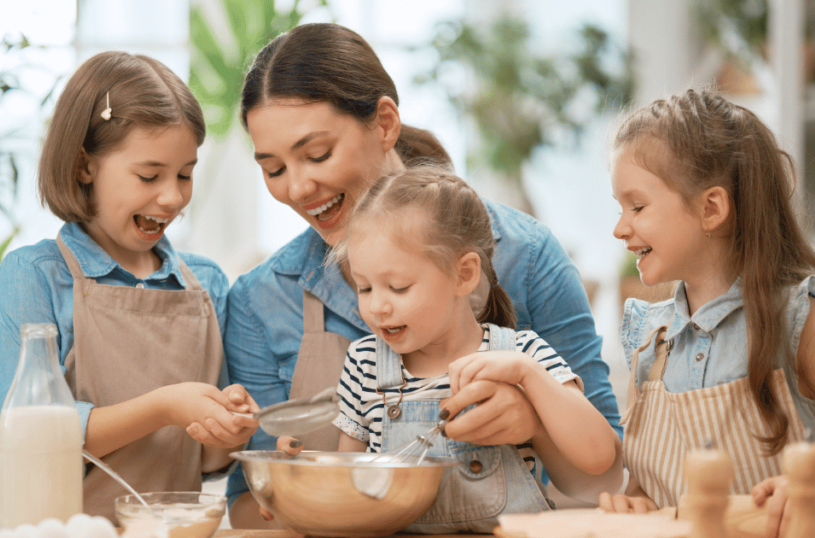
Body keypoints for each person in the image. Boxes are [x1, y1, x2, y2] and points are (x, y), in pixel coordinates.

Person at [224, 22, 622, 527]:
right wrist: (294, 487)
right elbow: (245, 506)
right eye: (274, 169)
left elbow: (609, 481)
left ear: (385, 122)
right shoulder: (261, 299)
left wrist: (534, 422)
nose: (299, 188)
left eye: (317, 153)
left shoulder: (528, 256)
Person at [0, 51, 259, 521]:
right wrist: (166, 406)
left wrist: (229, 428)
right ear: (85, 166)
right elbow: (30, 436)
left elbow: (208, 462)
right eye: (149, 175)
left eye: (185, 174)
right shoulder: (34, 279)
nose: (172, 197)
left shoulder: (204, 283)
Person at [600, 89, 815, 536]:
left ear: (711, 208)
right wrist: (634, 505)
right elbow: (649, 490)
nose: (619, 227)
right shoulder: (651, 340)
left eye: (638, 206)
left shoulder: (798, 321)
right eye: (619, 207)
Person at [328, 167, 620, 533]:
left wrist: (529, 377)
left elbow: (599, 458)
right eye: (365, 288)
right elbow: (346, 482)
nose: (377, 307)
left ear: (464, 274)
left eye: (398, 287)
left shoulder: (522, 353)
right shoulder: (364, 362)